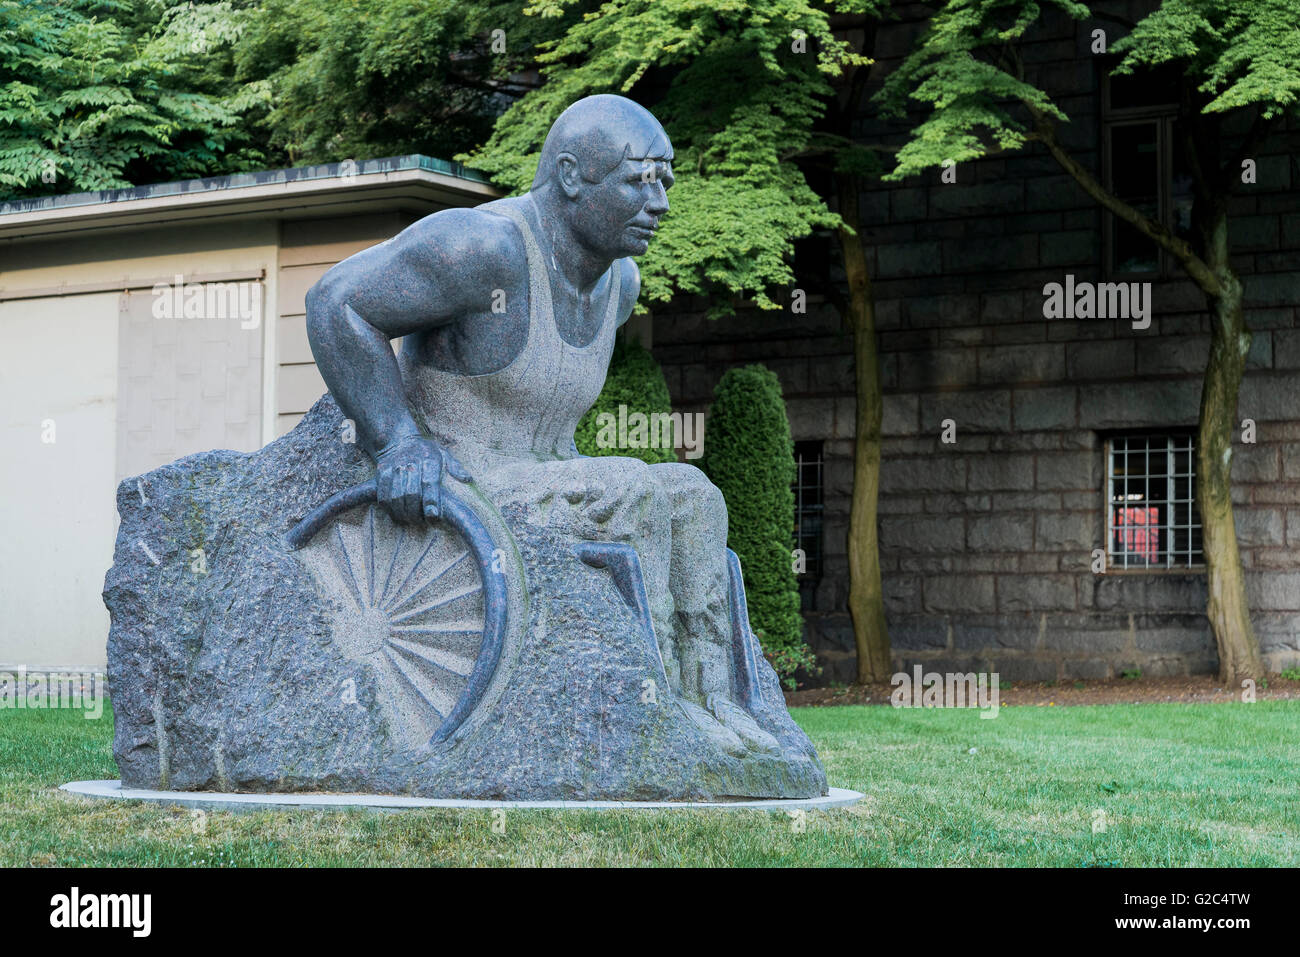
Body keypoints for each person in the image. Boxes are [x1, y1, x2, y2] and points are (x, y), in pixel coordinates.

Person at [306, 94, 777, 753]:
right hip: (464, 479)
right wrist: (399, 442)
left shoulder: (621, 283)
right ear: (569, 176)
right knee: (632, 488)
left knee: (697, 498)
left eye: (665, 182)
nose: (661, 202)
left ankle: (713, 697)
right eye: (640, 180)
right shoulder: (481, 247)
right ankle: (663, 703)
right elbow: (335, 302)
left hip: (543, 474)